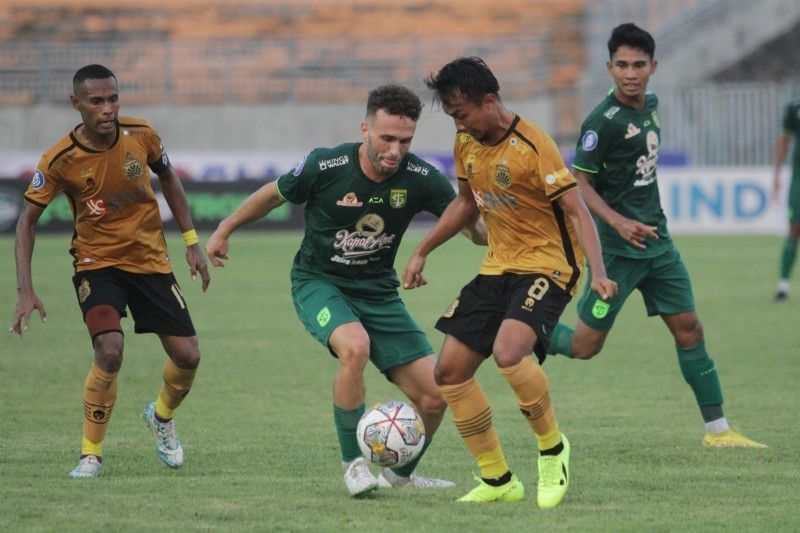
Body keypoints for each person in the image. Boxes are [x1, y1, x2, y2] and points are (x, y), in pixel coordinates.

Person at [205, 84, 486, 497]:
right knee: (355, 348)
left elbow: (472, 228)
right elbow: (273, 195)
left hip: (379, 292)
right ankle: (354, 465)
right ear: (365, 129)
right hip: (319, 282)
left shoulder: (421, 177)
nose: (395, 150)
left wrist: (497, 224)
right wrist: (225, 229)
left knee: (435, 395)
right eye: (386, 138)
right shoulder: (327, 164)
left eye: (404, 141)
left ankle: (400, 476)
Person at [403, 56, 617, 508]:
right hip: (498, 266)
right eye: (452, 117)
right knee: (449, 372)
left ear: (489, 101)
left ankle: (553, 450)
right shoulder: (467, 141)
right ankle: (498, 479)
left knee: (508, 352)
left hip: (549, 265)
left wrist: (599, 272)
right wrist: (423, 249)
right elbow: (466, 203)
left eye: (462, 113)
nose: (458, 124)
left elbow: (577, 210)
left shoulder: (534, 144)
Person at [546, 23, 766, 449]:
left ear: (653, 67)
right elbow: (579, 186)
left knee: (690, 329)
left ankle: (719, 432)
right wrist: (618, 222)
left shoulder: (652, 105)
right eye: (622, 65)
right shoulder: (601, 123)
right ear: (609, 67)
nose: (631, 73)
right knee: (585, 347)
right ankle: (529, 327)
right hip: (616, 250)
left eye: (639, 65)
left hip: (659, 244)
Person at [9, 64, 210, 478]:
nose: (108, 109)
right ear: (76, 104)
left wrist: (192, 242)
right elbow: (26, 222)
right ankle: (90, 454)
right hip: (96, 264)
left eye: (113, 99)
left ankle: (161, 417)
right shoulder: (60, 159)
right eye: (97, 101)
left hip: (150, 262)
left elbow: (168, 176)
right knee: (109, 349)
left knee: (188, 356)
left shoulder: (142, 135)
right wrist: (25, 290)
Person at [772, 97, 800, 300]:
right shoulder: (794, 106)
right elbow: (784, 139)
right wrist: (777, 174)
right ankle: (783, 284)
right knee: (794, 228)